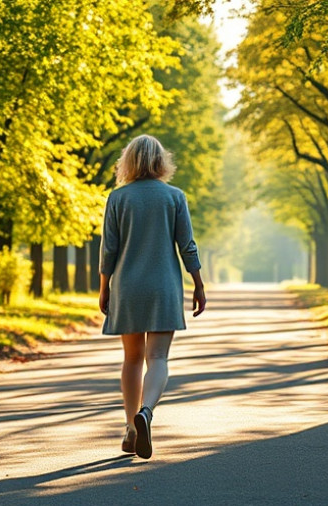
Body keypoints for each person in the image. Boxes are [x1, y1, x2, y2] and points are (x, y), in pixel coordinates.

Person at [98, 134, 207, 460]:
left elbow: (109, 249)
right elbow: (187, 245)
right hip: (164, 287)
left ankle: (131, 429)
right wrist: (198, 284)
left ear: (128, 161)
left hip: (128, 287)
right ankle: (146, 412)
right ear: (161, 161)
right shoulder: (174, 197)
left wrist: (104, 287)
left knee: (132, 359)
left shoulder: (118, 198)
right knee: (157, 358)